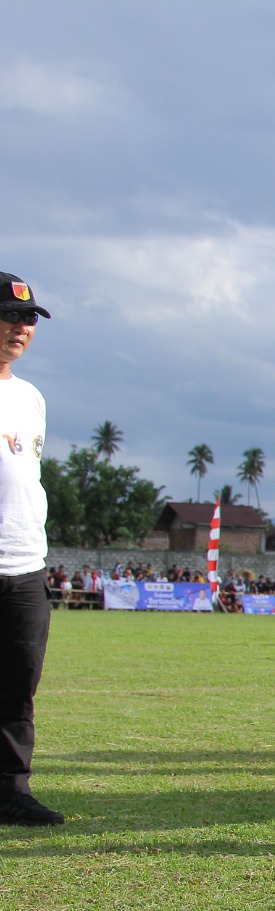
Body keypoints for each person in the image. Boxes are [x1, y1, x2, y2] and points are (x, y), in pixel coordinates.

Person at [0, 272, 63, 826]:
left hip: (23, 566)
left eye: (27, 319)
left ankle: (10, 790)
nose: (20, 327)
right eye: (10, 316)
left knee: (19, 686)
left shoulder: (30, 398)